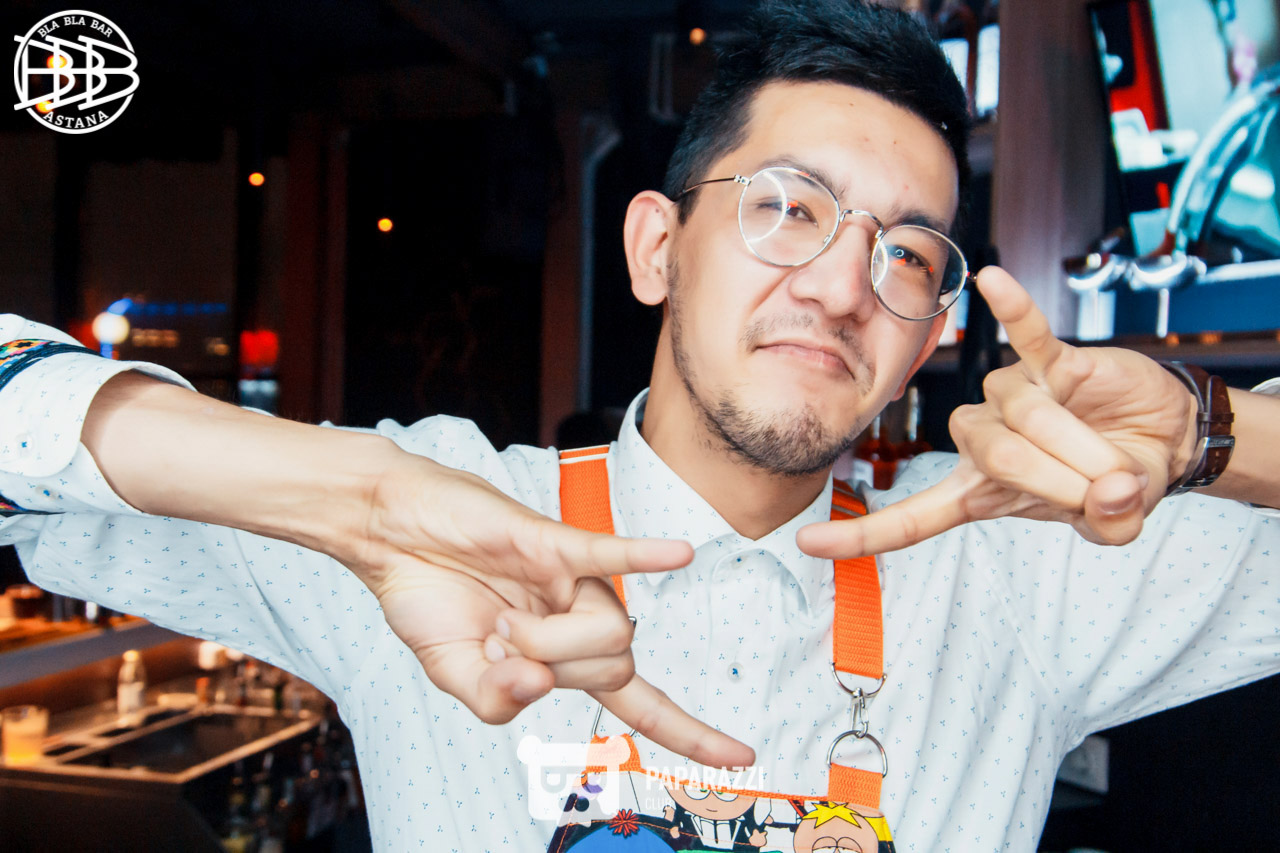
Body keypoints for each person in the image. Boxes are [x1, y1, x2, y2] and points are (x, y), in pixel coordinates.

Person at [1, 1, 1277, 849]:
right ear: (656, 247)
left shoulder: (1025, 567)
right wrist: (359, 498)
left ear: (927, 330)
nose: (843, 284)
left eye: (906, 252)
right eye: (788, 206)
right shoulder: (436, 518)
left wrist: (1210, 433)